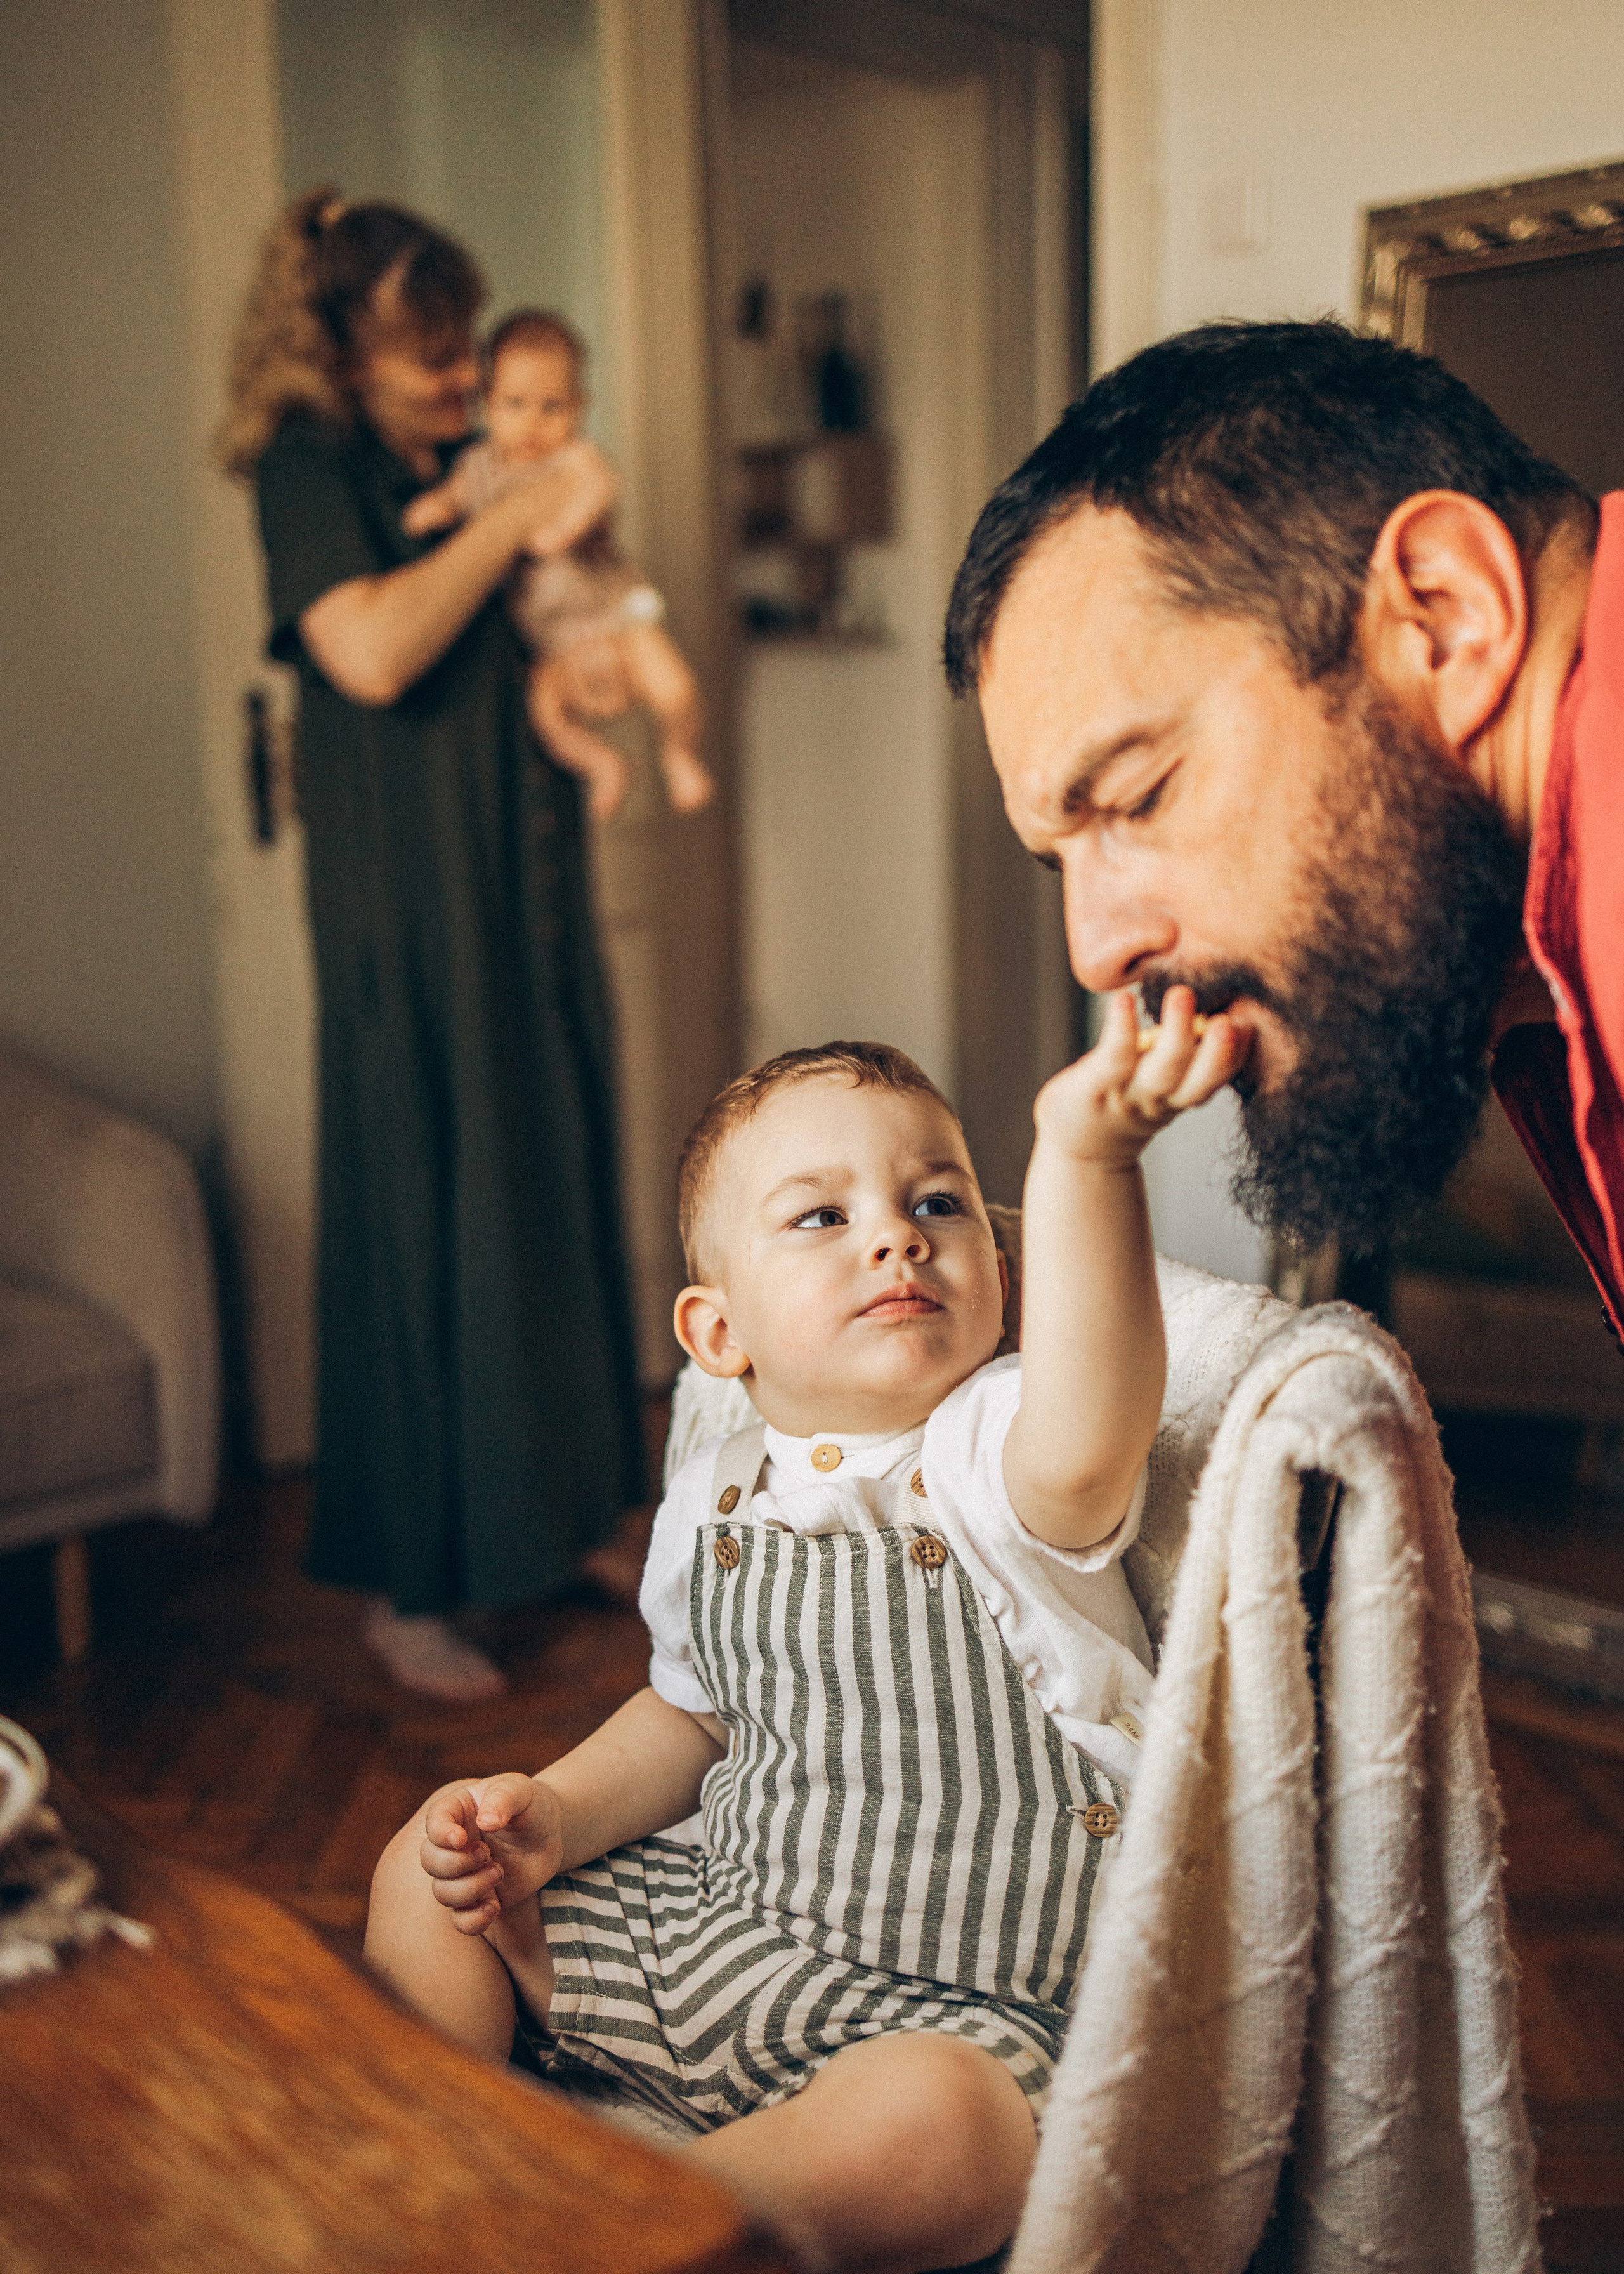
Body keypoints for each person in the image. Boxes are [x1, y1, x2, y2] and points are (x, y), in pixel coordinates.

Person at [366, 996, 1239, 2272]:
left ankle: (612, 2217)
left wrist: (1089, 1160)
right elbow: (689, 1713)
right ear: (719, 1335)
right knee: (421, 1865)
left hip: (958, 2009)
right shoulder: (717, 1486)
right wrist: (550, 1813)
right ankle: (426, 2150)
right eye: (822, 1217)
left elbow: (1100, 1416)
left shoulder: (994, 1447)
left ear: (1001, 1268)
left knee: (944, 2136)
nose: (895, 1234)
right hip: (723, 1932)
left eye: (937, 1201)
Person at [944, 317, 1624, 1341]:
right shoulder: (1534, 967)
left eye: (1139, 797)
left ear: (1446, 616)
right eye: (1059, 859)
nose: (1098, 953)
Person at [219, 190, 646, 1699]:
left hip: (518, 868)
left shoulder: (454, 459)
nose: (462, 382)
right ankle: (414, 1580)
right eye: (427, 360)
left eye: (470, 354)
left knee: (547, 1173)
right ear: (337, 349)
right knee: (425, 1202)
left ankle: (571, 1517)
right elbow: (371, 649)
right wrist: (519, 511)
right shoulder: (309, 470)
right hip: (406, 901)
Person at [403, 308, 712, 823]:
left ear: (580, 409)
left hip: (617, 614)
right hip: (552, 641)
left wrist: (566, 527)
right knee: (543, 711)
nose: (532, 422)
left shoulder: (573, 459)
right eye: (514, 405)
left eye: (553, 407)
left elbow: (602, 487)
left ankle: (680, 753)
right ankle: (601, 764)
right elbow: (453, 499)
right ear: (487, 405)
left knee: (675, 686)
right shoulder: (477, 467)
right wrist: (432, 509)